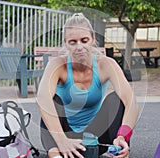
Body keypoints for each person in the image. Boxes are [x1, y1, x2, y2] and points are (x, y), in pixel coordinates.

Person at [36, 13, 140, 158]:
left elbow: (131, 103)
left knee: (116, 100)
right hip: (63, 136)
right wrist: (62, 140)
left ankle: (119, 150)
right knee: (52, 100)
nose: (79, 47)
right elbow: (42, 98)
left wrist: (123, 136)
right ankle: (56, 154)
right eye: (73, 42)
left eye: (84, 40)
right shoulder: (57, 65)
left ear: (92, 38)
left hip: (96, 137)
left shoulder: (106, 64)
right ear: (65, 43)